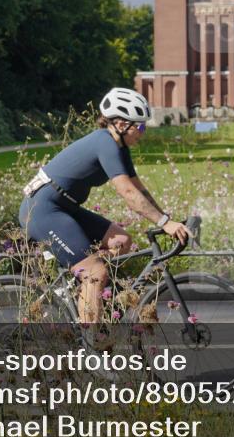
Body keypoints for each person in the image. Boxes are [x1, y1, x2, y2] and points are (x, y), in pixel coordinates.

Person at [18, 88, 191, 324]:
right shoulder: (104, 142)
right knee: (96, 272)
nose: (143, 132)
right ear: (121, 124)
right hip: (43, 210)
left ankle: (84, 293)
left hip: (64, 208)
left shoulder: (120, 148)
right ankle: (92, 350)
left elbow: (139, 189)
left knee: (121, 242)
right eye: (139, 126)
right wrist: (163, 223)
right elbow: (127, 193)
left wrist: (166, 219)